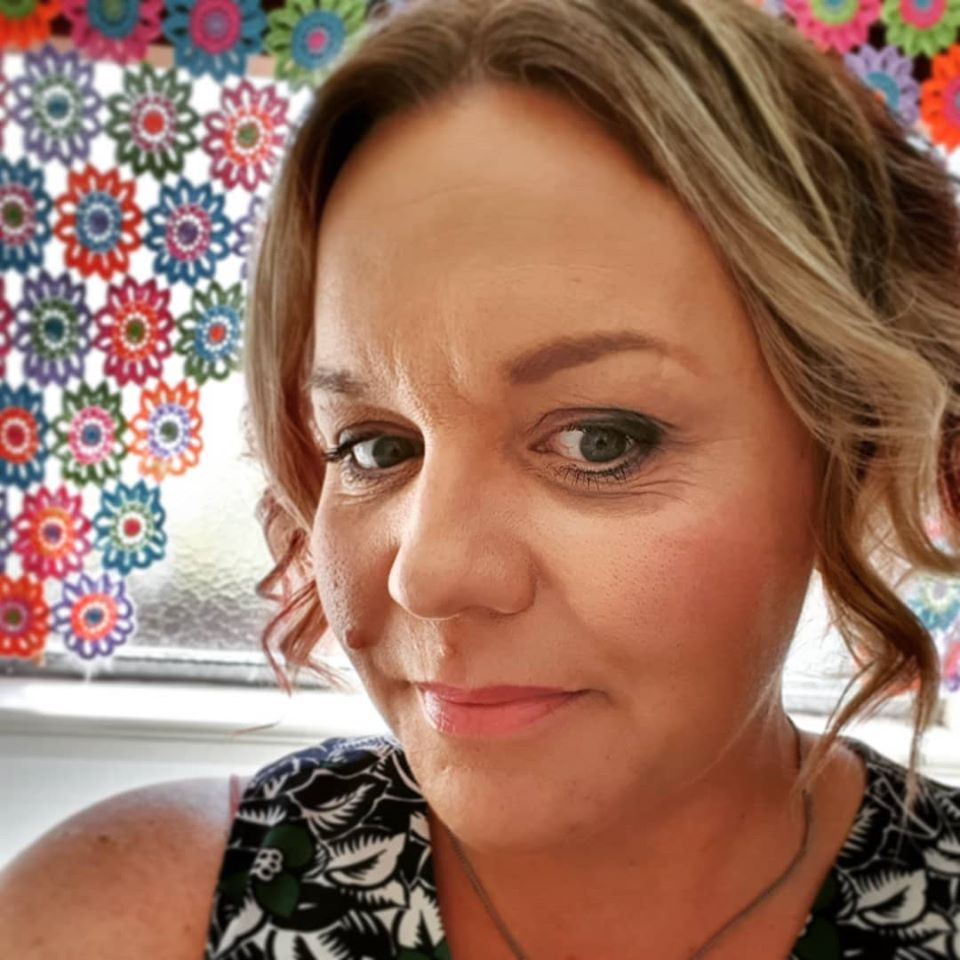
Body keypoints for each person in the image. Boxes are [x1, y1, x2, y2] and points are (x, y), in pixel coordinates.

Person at [4, 0, 960, 957]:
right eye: (374, 446)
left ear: (852, 447)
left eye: (599, 440)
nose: (428, 574)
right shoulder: (123, 920)